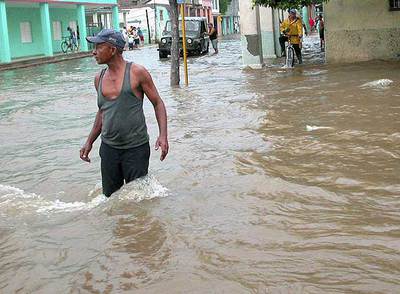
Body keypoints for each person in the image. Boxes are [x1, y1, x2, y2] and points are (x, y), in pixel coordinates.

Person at [80, 29, 169, 197]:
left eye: (99, 47)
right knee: (111, 200)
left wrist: (163, 136)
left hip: (136, 149)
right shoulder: (98, 78)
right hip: (109, 149)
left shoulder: (137, 73)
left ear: (113, 50)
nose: (94, 52)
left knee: (139, 200)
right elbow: (102, 112)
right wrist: (89, 141)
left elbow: (158, 103)